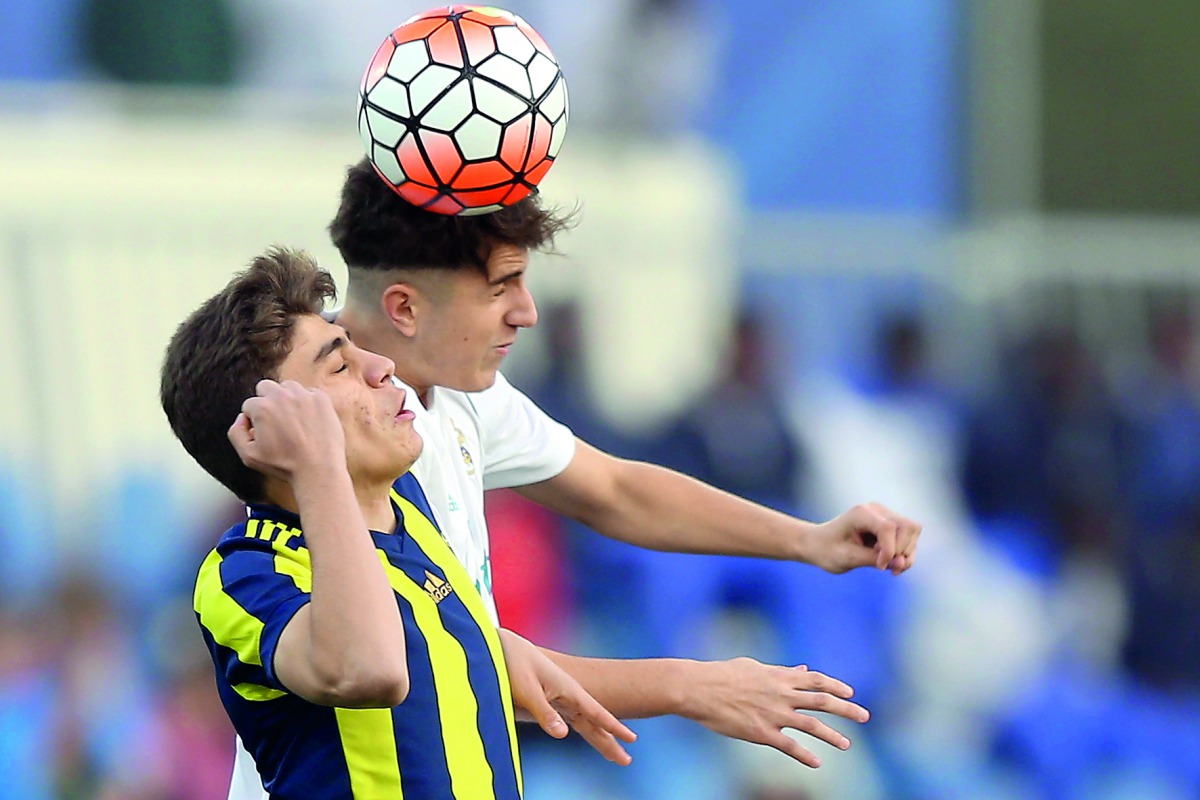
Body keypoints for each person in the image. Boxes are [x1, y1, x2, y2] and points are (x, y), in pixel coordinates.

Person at [226, 160, 914, 796]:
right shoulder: (335, 457)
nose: (526, 310)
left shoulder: (456, 394)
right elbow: (448, 667)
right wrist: (692, 686)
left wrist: (809, 541)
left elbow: (614, 489)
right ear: (405, 308)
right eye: (502, 287)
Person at [161, 249, 639, 798]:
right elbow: (371, 670)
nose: (380, 367)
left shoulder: (410, 514)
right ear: (269, 425)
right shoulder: (245, 571)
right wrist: (316, 465)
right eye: (340, 366)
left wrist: (697, 687)